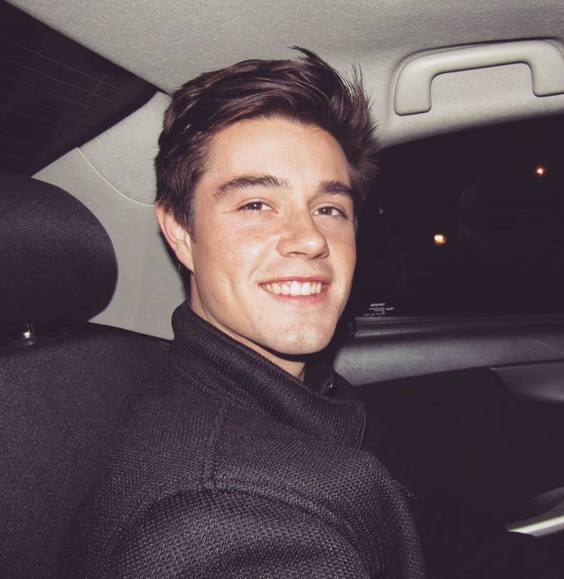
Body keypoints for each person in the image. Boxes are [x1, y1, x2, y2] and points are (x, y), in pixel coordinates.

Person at [60, 48, 424, 578]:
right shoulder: (220, 520)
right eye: (256, 205)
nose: (310, 239)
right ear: (180, 233)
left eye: (329, 209)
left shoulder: (310, 392)